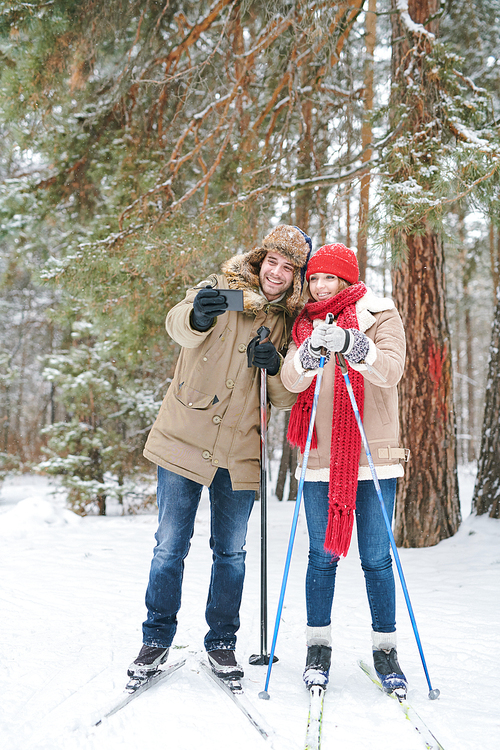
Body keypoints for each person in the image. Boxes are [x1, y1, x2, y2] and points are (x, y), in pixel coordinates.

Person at [128, 225, 312, 684]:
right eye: (273, 262)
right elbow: (179, 325)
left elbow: (285, 397)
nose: (278, 273)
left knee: (231, 553)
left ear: (296, 278)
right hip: (183, 437)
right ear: (259, 259)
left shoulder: (288, 323)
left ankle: (222, 643)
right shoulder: (219, 290)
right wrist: (199, 317)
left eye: (289, 269)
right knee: (169, 547)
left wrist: (275, 369)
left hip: (240, 449)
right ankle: (156, 638)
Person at [280, 242, 409, 695]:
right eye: (313, 278)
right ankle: (318, 648)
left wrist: (355, 344)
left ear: (348, 280)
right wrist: (309, 354)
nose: (319, 286)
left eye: (328, 278)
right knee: (321, 558)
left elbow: (391, 370)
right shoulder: (303, 325)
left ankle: (386, 651)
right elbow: (289, 381)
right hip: (320, 460)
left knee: (376, 559)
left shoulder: (380, 314)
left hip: (374, 458)